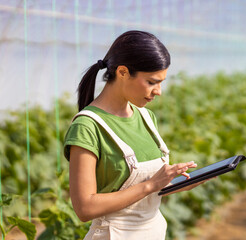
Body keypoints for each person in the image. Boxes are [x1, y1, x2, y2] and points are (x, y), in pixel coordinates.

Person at [63, 30, 205, 239]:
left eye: (161, 82)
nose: (158, 91)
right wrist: (151, 185)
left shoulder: (146, 117)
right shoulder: (87, 127)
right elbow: (85, 208)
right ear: (122, 72)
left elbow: (146, 193)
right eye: (151, 82)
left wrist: (177, 183)